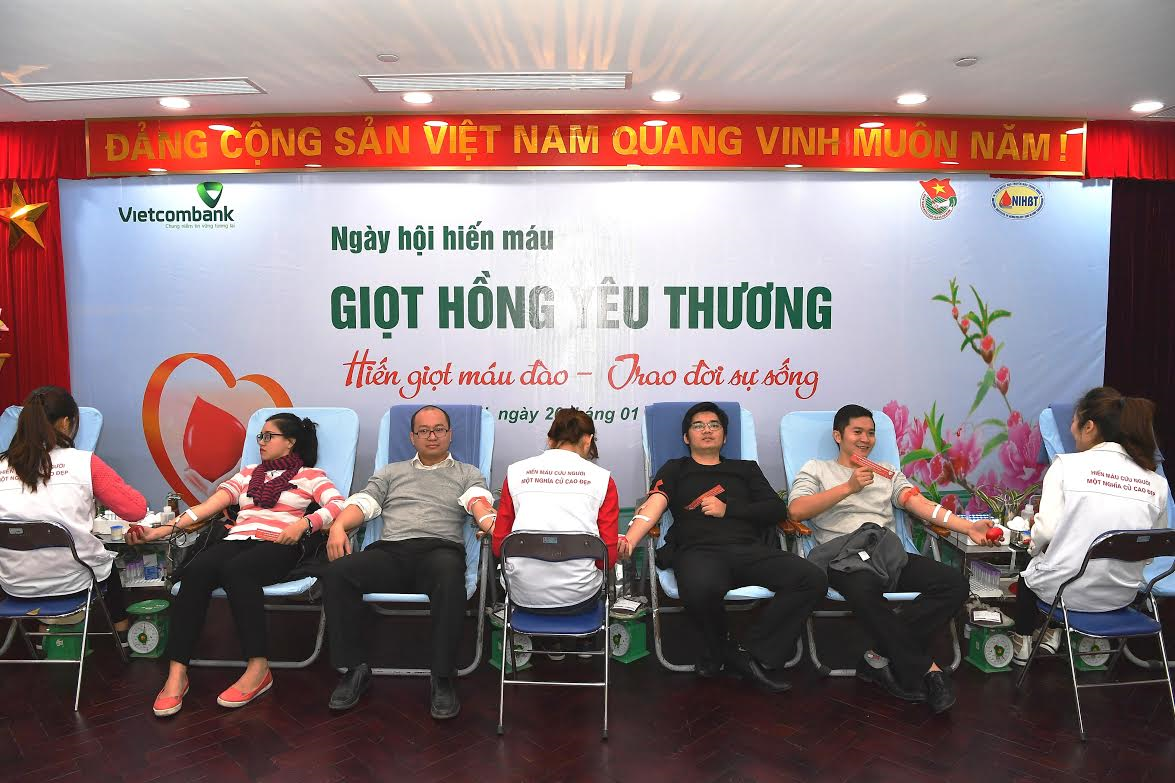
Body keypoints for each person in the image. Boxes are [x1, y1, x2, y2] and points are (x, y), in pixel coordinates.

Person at [131, 413, 344, 717]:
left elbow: (338, 505)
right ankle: (177, 674)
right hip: (237, 539)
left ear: (290, 442)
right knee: (197, 571)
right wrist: (161, 531)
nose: (261, 442)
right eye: (260, 436)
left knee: (238, 571)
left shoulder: (310, 476)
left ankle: (258, 669)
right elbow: (207, 508)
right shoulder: (246, 475)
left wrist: (305, 524)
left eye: (269, 436)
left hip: (279, 544)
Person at [788, 404, 993, 713]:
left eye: (870, 433)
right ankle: (928, 671)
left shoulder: (885, 472)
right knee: (864, 589)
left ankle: (878, 656)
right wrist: (848, 487)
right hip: (843, 557)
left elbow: (919, 504)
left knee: (954, 584)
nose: (865, 439)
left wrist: (967, 527)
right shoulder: (817, 469)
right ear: (838, 436)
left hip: (886, 553)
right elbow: (796, 510)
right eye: (857, 432)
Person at [621, 402, 826, 692]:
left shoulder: (745, 470)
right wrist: (631, 538)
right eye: (698, 425)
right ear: (686, 437)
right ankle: (720, 648)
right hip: (698, 550)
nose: (707, 430)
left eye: (714, 425)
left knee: (812, 578)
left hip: (749, 550)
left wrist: (728, 509)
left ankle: (750, 652)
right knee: (700, 587)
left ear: (725, 436)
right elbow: (655, 503)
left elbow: (776, 509)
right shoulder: (676, 468)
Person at [322, 405, 495, 719]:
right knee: (337, 573)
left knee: (450, 575)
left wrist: (487, 522)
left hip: (439, 552)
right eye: (424, 431)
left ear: (450, 434)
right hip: (391, 553)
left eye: (439, 429)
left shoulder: (467, 473)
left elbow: (478, 502)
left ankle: (442, 676)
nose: (432, 436)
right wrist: (338, 526)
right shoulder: (391, 472)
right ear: (412, 437)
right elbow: (364, 503)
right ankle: (354, 669)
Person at [1011, 387, 1170, 663]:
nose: (1071, 430)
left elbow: (1045, 532)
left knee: (1029, 571)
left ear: (1089, 426)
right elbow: (1151, 549)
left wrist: (1034, 546)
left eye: (1074, 422)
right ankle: (1053, 634)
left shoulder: (1066, 466)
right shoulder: (1156, 483)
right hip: (1122, 597)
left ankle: (1022, 642)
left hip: (1065, 594)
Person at [0, 386, 147, 648]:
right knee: (105, 562)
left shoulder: (1, 466)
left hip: (14, 584)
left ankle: (42, 636)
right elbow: (136, 510)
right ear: (66, 422)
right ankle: (123, 635)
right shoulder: (83, 463)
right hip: (73, 581)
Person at [492, 407, 619, 614]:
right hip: (579, 595)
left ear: (550, 440)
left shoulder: (515, 472)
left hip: (522, 593)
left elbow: (499, 547)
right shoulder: (603, 480)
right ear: (588, 440)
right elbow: (608, 558)